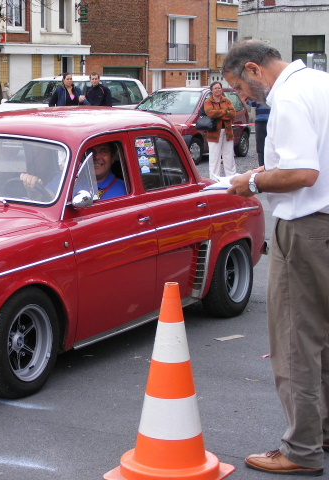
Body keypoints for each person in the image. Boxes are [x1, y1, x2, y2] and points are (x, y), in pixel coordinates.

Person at [224, 39, 329, 477]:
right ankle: (320, 432)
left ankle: (302, 449)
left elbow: (303, 173)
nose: (245, 100)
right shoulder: (321, 84)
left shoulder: (286, 98)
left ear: (254, 68)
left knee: (295, 341)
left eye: (242, 89)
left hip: (306, 228)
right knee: (323, 336)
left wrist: (253, 180)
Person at [204, 81, 236, 179]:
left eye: (219, 88)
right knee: (214, 157)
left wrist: (220, 114)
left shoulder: (227, 100)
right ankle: (214, 179)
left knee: (229, 156)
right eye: (215, 88)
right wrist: (225, 112)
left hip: (227, 132)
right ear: (211, 90)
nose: (217, 90)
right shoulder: (208, 102)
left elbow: (233, 113)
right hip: (214, 133)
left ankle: (231, 178)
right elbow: (210, 113)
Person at [246, 100, 270, 167]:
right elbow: (252, 103)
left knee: (267, 146)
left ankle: (267, 167)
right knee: (261, 146)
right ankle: (262, 166)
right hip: (261, 121)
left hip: (270, 121)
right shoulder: (259, 94)